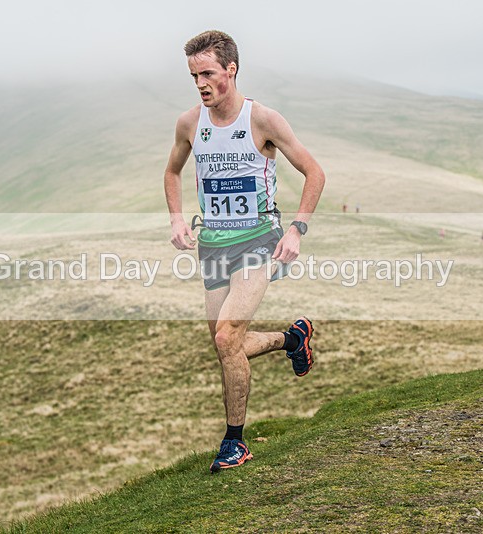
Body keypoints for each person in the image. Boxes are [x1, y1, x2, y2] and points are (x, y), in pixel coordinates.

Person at [164, 30, 325, 473]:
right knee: (226, 344)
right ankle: (292, 339)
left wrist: (296, 230)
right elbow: (172, 171)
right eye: (194, 76)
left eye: (208, 73)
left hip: (258, 238)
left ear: (231, 70)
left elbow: (314, 173)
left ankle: (234, 442)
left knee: (226, 337)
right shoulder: (189, 123)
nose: (201, 84)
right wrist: (177, 219)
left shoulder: (263, 120)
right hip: (214, 244)